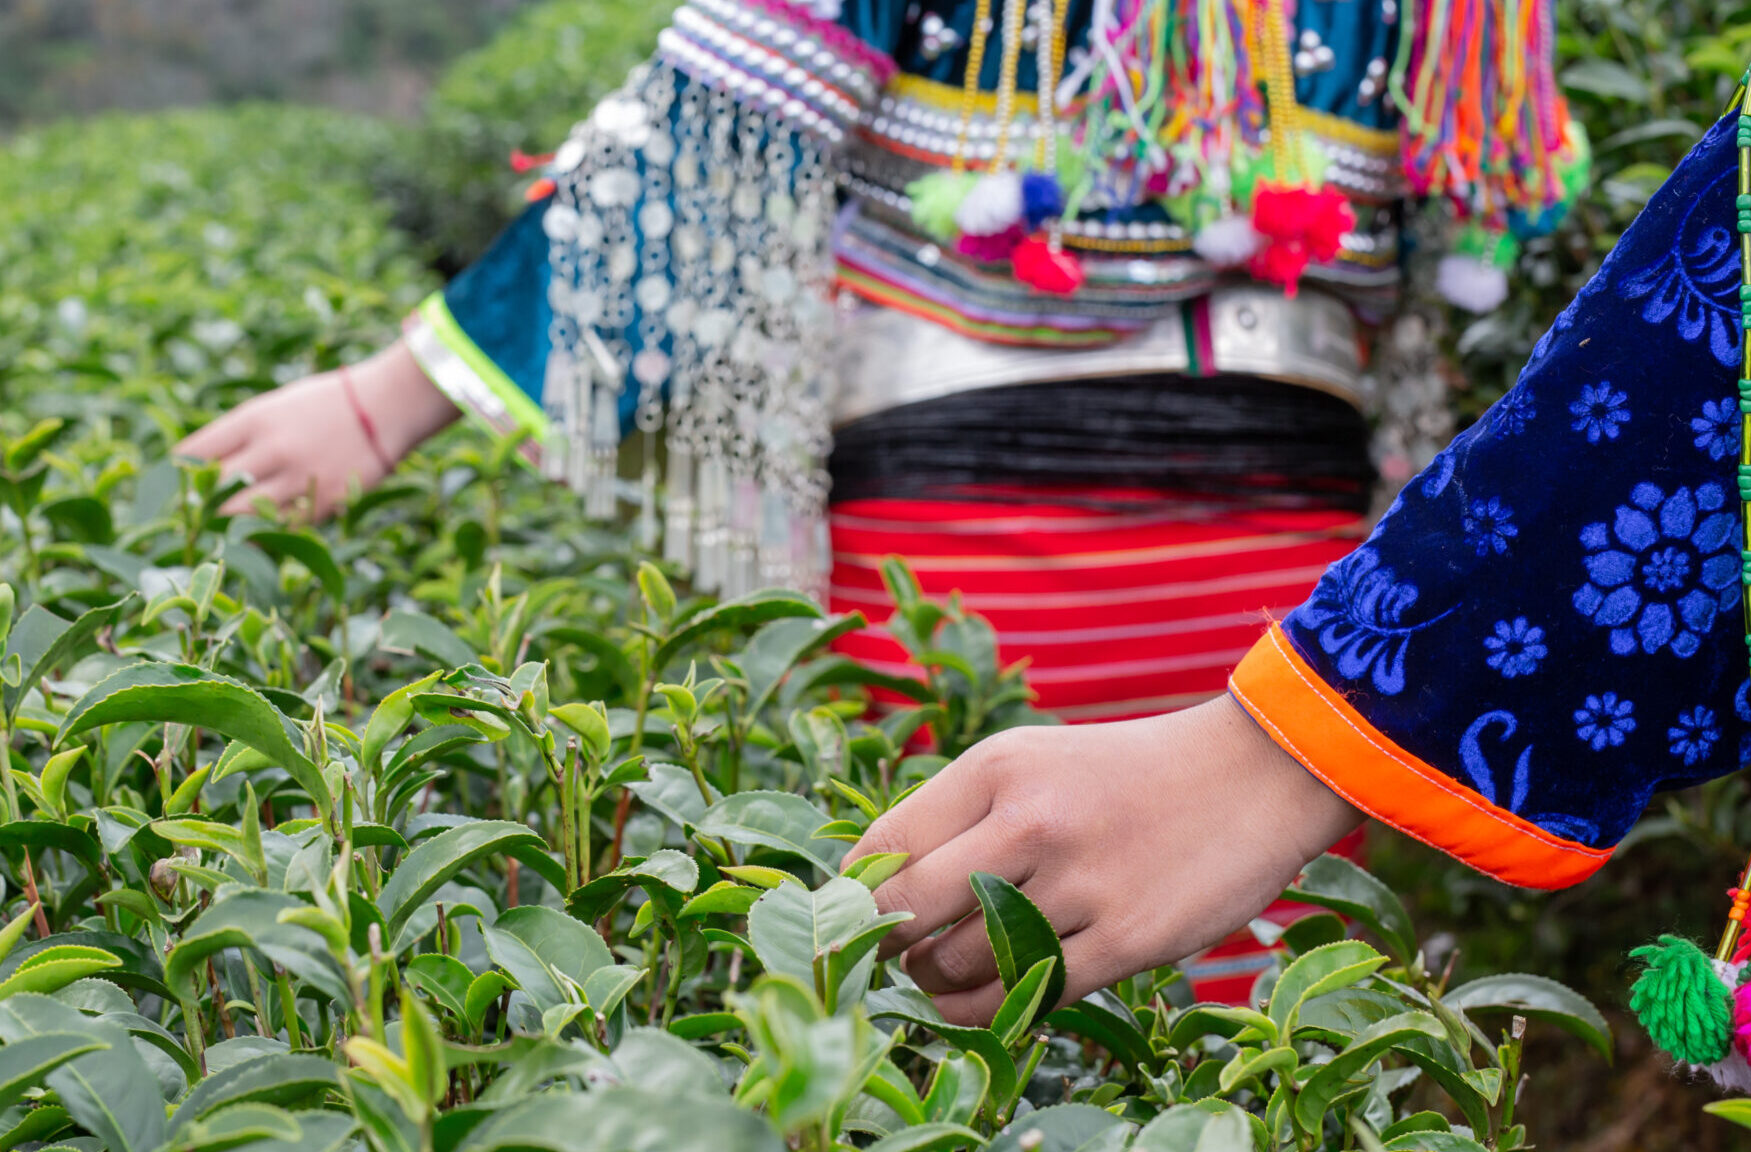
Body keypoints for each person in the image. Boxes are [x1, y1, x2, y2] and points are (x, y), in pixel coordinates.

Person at [182, 0, 1584, 1005]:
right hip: (1292, 558)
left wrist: (390, 398)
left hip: (967, 556)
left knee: (942, 966)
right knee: (1236, 966)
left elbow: (711, 144)